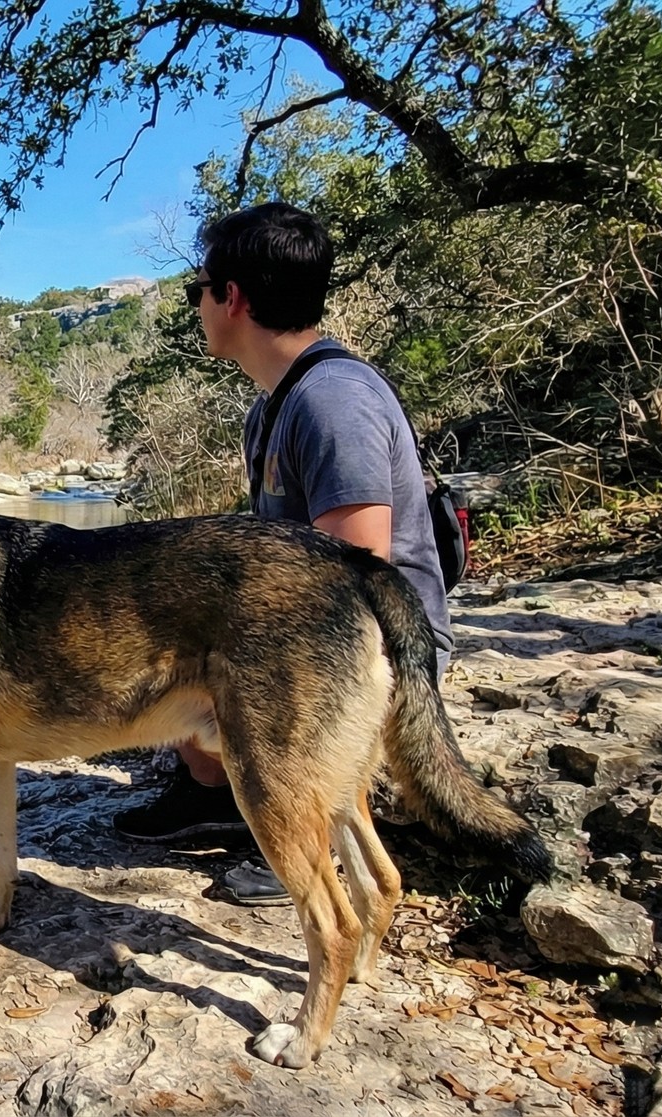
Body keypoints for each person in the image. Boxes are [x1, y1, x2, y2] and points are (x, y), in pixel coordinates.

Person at [111, 202, 455, 905]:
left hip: (369, 651)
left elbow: (357, 575)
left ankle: (303, 835)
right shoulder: (272, 405)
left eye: (196, 291)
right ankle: (215, 792)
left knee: (196, 658)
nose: (197, 306)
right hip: (300, 635)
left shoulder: (333, 402)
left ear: (231, 298)